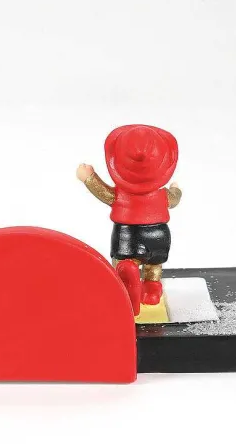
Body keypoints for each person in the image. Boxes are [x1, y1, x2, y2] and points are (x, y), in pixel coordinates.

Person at [77, 124, 181, 311]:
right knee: (154, 266)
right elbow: (175, 199)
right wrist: (176, 189)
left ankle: (126, 280)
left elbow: (103, 193)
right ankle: (152, 289)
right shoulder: (163, 195)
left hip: (128, 236)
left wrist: (89, 178)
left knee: (124, 262)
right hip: (159, 236)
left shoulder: (121, 195)